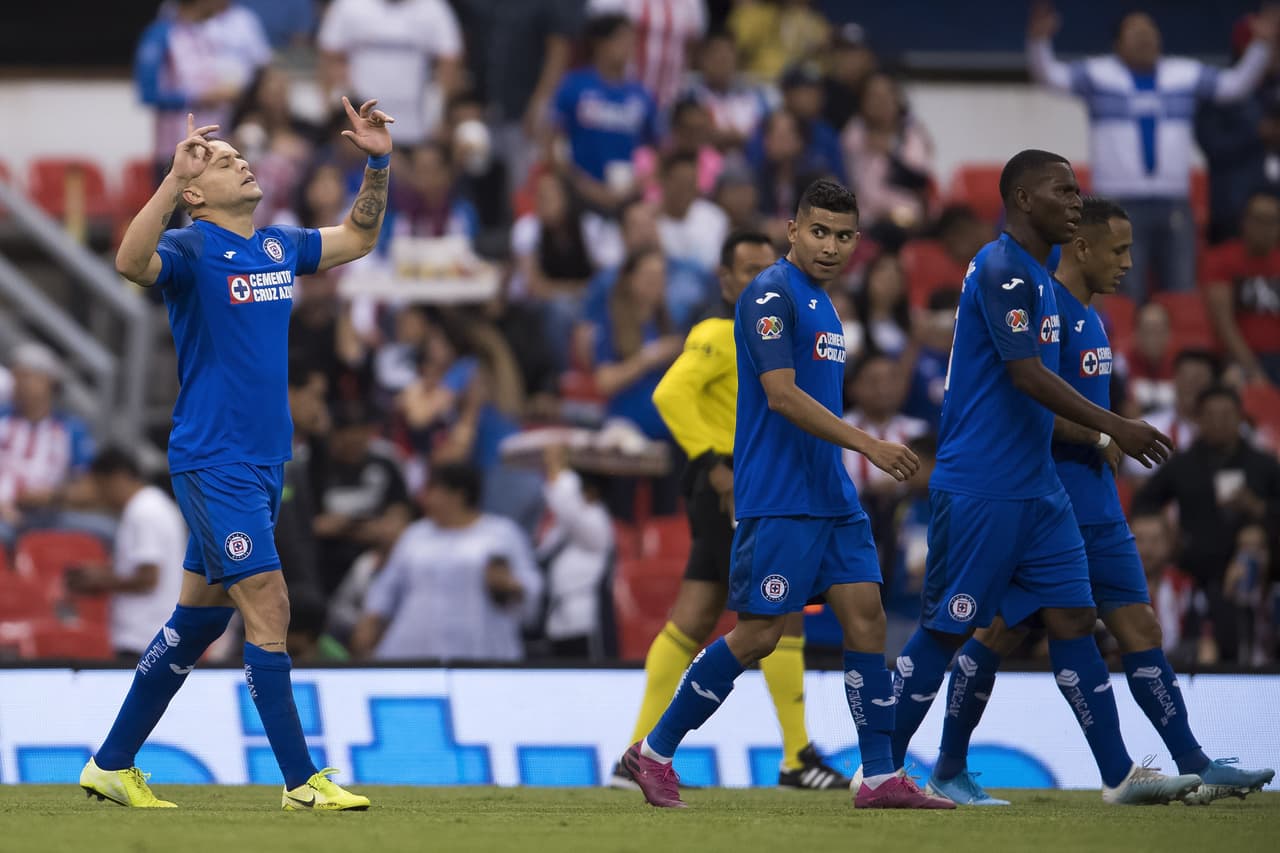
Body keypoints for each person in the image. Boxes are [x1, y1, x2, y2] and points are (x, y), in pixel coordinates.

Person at [81, 96, 395, 811]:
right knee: (270, 600)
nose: (241, 161)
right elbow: (131, 260)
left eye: (239, 156)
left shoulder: (278, 246)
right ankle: (300, 781)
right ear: (196, 194)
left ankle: (110, 762)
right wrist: (169, 182)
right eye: (225, 161)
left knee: (200, 617)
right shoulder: (191, 249)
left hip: (261, 461)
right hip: (213, 455)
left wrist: (377, 161)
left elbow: (358, 237)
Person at [922, 198, 1274, 807]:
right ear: (1081, 247)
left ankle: (1193, 763)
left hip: (1098, 503)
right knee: (998, 633)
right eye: (1119, 250)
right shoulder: (1043, 306)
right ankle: (950, 765)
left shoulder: (1093, 317)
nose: (1128, 264)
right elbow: (1028, 407)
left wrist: (1103, 436)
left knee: (1139, 626)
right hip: (1044, 499)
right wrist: (1104, 431)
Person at [882, 150, 1201, 806]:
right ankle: (880, 766)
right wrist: (1117, 426)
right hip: (983, 482)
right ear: (1024, 199)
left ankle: (1117, 775)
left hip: (1038, 486)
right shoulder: (1002, 268)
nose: (1077, 200)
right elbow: (1027, 374)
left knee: (1075, 615)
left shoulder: (1039, 272)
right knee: (948, 626)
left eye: (1078, 189)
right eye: (1063, 189)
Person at [620, 179, 942, 810]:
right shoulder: (770, 292)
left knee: (867, 617)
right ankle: (652, 752)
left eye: (843, 236)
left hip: (831, 496)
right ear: (793, 230)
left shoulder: (824, 303)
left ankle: (877, 775)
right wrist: (868, 445)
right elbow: (782, 395)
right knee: (759, 635)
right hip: (779, 496)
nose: (830, 245)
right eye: (818, 231)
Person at [613, 231, 849, 793]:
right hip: (735, 489)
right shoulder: (721, 333)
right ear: (724, 281)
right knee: (779, 614)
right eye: (746, 271)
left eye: (766, 269)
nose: (760, 281)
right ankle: (796, 757)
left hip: (737, 487)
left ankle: (636, 753)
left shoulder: (760, 330)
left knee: (694, 617)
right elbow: (669, 395)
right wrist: (716, 464)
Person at [1026, 2, 1278, 299]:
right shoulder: (1099, 74)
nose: (1145, 37)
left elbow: (1233, 86)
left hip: (1173, 204)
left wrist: (1261, 45)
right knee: (1121, 290)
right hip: (1116, 204)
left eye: (1150, 30)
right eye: (1135, 32)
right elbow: (1052, 77)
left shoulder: (1183, 74)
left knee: (1180, 289)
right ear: (1117, 44)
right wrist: (1038, 41)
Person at [1133, 385, 1280, 664]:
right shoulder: (1183, 465)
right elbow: (1144, 502)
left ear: (1240, 418)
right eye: (1211, 415)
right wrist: (1166, 529)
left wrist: (1257, 509)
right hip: (1194, 575)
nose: (1219, 421)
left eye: (1227, 414)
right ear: (1199, 420)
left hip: (1252, 576)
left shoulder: (1264, 464)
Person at [349, 462, 542, 661]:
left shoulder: (501, 534)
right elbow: (387, 586)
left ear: (458, 495)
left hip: (480, 645)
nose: (425, 499)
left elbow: (530, 586)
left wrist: (510, 586)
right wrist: (371, 619)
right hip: (414, 645)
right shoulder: (416, 534)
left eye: (433, 491)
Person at [65, 449, 187, 661]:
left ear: (118, 478)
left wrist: (99, 580)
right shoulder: (157, 505)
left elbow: (148, 578)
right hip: (158, 634)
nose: (101, 495)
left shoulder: (143, 511)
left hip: (142, 636)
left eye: (101, 486)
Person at [550, 13, 659, 215]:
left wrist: (640, 181)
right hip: (579, 194)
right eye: (621, 38)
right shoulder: (574, 86)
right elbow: (554, 142)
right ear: (599, 43)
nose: (628, 46)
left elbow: (654, 148)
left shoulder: (642, 95)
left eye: (631, 40)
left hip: (628, 195)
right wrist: (583, 185)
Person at [317, 0, 462, 147]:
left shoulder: (432, 8)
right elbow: (329, 58)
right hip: (362, 127)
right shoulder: (349, 6)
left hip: (415, 126)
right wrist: (335, 114)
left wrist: (438, 114)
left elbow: (450, 62)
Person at [0, 342, 98, 545]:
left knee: (108, 532)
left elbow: (89, 488)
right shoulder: (3, 419)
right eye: (16, 377)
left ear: (49, 382)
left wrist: (51, 496)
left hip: (50, 512)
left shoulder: (70, 428)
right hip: (4, 511)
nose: (20, 384)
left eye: (28, 376)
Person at [538, 445, 615, 659]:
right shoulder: (566, 526)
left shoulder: (596, 520)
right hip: (558, 617)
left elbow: (567, 507)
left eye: (578, 490)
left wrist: (556, 469)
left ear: (591, 492)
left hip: (584, 620)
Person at [1202, 190, 1280, 385]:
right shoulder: (1222, 259)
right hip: (1237, 358)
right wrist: (1254, 370)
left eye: (1272, 221)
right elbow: (1224, 324)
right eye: (1259, 220)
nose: (1266, 228)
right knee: (1232, 381)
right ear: (1245, 222)